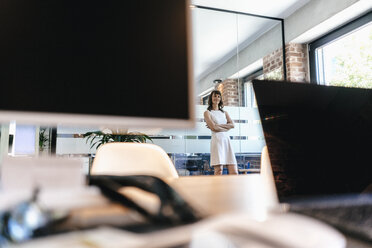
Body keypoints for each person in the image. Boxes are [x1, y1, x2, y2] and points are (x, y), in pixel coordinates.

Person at [204, 90, 238, 175]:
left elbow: (232, 125)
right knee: (219, 171)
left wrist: (218, 126)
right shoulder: (207, 113)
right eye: (215, 96)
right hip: (217, 141)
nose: (217, 98)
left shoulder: (224, 113)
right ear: (211, 98)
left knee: (234, 172)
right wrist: (226, 127)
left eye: (219, 96)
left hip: (226, 141)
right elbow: (213, 127)